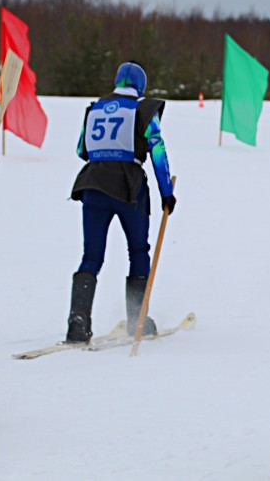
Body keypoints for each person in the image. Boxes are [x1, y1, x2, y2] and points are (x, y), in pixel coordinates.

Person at [65, 61, 176, 344]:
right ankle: (137, 319)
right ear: (141, 86)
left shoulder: (95, 109)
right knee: (138, 250)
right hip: (129, 188)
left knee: (91, 256)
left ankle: (78, 325)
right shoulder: (142, 110)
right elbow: (157, 150)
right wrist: (166, 193)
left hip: (93, 183)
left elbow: (82, 149)